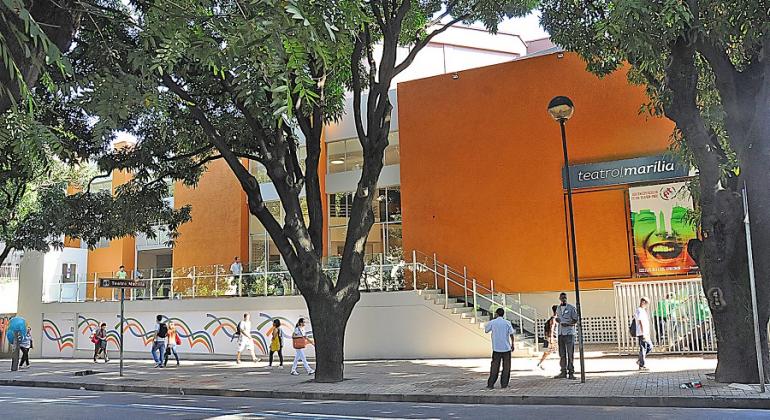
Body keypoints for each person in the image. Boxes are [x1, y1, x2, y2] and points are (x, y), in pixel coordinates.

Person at [484, 308, 515, 389]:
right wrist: (512, 344)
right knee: (506, 368)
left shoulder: (493, 322)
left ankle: (491, 384)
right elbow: (511, 334)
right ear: (503, 314)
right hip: (506, 348)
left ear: (496, 314)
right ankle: (504, 384)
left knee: (494, 367)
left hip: (496, 348)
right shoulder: (507, 322)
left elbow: (486, 330)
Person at [554, 292, 579, 380]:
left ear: (566, 298)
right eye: (562, 297)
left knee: (570, 353)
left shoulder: (571, 308)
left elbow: (575, 320)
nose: (563, 299)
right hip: (560, 333)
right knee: (562, 354)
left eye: (565, 297)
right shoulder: (558, 308)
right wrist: (557, 320)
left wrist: (568, 324)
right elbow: (558, 318)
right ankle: (563, 371)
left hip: (569, 333)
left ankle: (571, 372)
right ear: (559, 298)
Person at [536, 305, 559, 370]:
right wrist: (551, 338)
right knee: (548, 351)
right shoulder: (554, 319)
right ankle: (541, 363)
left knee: (547, 352)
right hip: (552, 337)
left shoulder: (552, 318)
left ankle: (541, 363)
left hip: (549, 337)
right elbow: (552, 328)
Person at [635, 297, 653, 370]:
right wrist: (643, 332)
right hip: (642, 333)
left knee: (650, 347)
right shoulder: (639, 310)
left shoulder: (642, 310)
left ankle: (640, 360)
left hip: (644, 332)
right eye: (646, 303)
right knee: (643, 348)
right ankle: (642, 365)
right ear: (643, 302)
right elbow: (641, 322)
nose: (647, 305)